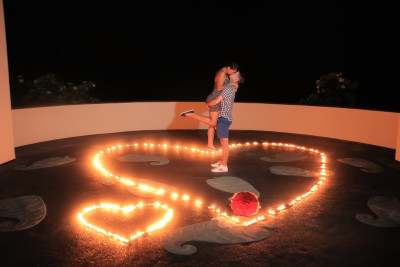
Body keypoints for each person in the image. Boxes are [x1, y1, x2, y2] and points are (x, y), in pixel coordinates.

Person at [180, 71, 245, 172]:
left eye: (235, 74)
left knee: (224, 145)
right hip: (223, 117)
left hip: (224, 118)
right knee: (222, 142)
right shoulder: (231, 86)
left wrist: (208, 104)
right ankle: (221, 162)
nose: (232, 73)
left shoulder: (229, 88)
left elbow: (216, 101)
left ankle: (224, 166)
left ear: (237, 79)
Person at [181, 62, 239, 151]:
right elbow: (219, 88)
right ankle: (190, 114)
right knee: (213, 123)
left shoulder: (225, 73)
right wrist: (232, 84)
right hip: (214, 99)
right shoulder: (221, 73)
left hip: (217, 100)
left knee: (212, 125)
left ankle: (210, 145)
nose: (232, 73)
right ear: (228, 67)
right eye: (232, 71)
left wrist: (233, 84)